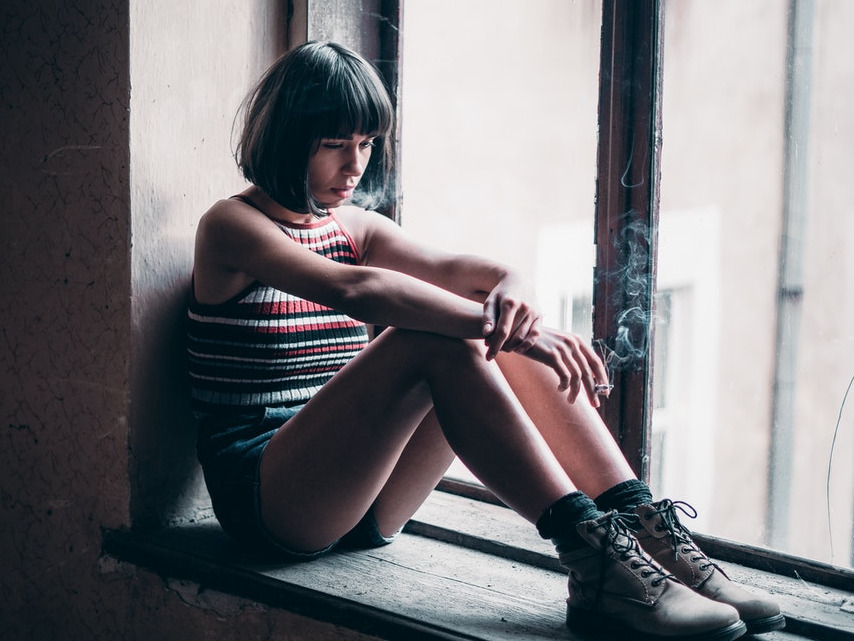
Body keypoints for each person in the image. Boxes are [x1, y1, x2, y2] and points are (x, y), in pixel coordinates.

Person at [187, 40, 783, 640]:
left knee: (482, 321)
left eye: (366, 144)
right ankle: (594, 563)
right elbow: (359, 290)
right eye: (334, 144)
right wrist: (518, 336)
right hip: (269, 499)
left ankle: (650, 539)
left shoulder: (353, 225)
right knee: (437, 339)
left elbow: (482, 275)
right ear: (288, 138)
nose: (355, 165)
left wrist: (515, 294)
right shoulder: (231, 226)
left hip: (364, 499)